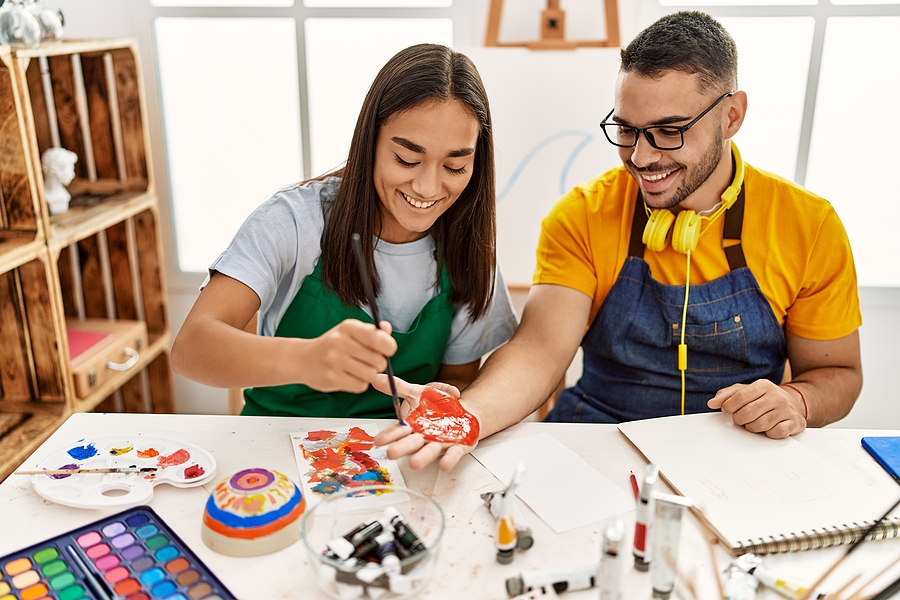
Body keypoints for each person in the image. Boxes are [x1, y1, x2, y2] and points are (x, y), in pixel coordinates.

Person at [374, 11, 863, 470]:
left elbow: (838, 374)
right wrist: (469, 417)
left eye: (669, 131)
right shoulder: (583, 215)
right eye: (627, 131)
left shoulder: (808, 225)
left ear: (732, 116)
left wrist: (798, 401)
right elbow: (540, 351)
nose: (642, 157)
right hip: (595, 440)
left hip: (734, 454)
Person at [171, 43, 517, 419]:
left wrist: (435, 402)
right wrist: (306, 359)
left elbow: (459, 377)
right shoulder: (295, 219)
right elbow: (191, 349)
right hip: (277, 447)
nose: (429, 188)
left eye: (454, 167)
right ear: (369, 142)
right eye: (407, 159)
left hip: (396, 457)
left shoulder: (471, 246)